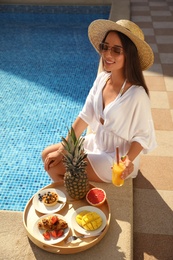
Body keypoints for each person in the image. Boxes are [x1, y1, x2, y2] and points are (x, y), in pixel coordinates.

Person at [42, 19, 157, 183]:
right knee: (47, 154)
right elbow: (84, 116)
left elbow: (142, 136)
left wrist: (128, 161)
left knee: (54, 166)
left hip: (116, 158)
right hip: (98, 142)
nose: (107, 54)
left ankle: (76, 198)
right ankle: (74, 192)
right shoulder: (102, 79)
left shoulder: (137, 95)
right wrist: (62, 150)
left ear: (129, 55)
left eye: (116, 50)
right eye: (105, 47)